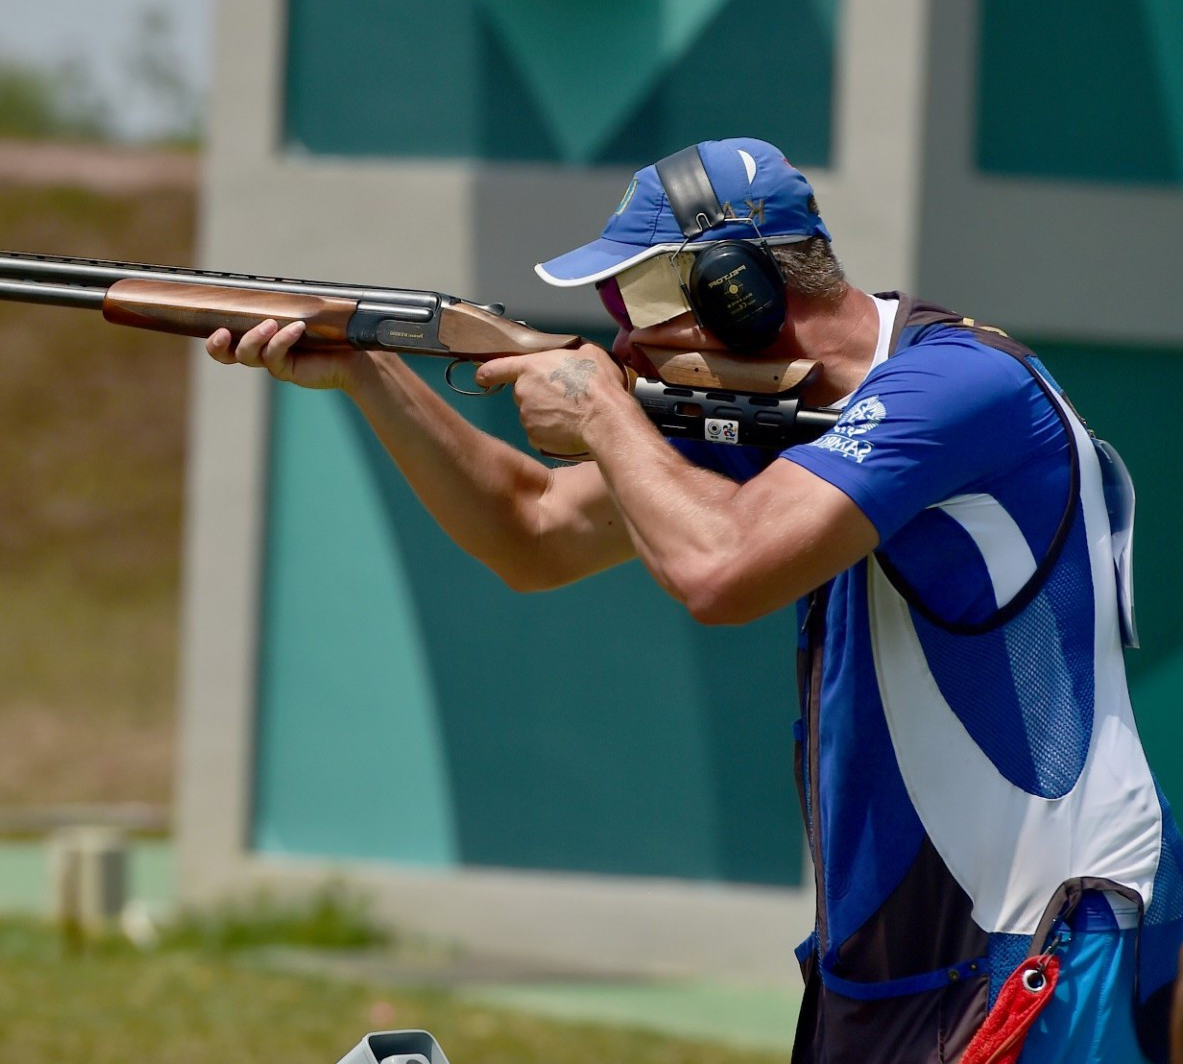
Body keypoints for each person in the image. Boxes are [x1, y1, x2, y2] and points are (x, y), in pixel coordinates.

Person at [207, 138, 1181, 1063]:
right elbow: (532, 526)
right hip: (899, 966)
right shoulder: (806, 419)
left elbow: (720, 567)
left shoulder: (960, 386)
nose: (621, 341)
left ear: (739, 290)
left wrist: (599, 412)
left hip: (1042, 944)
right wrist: (370, 372)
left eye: (631, 298)